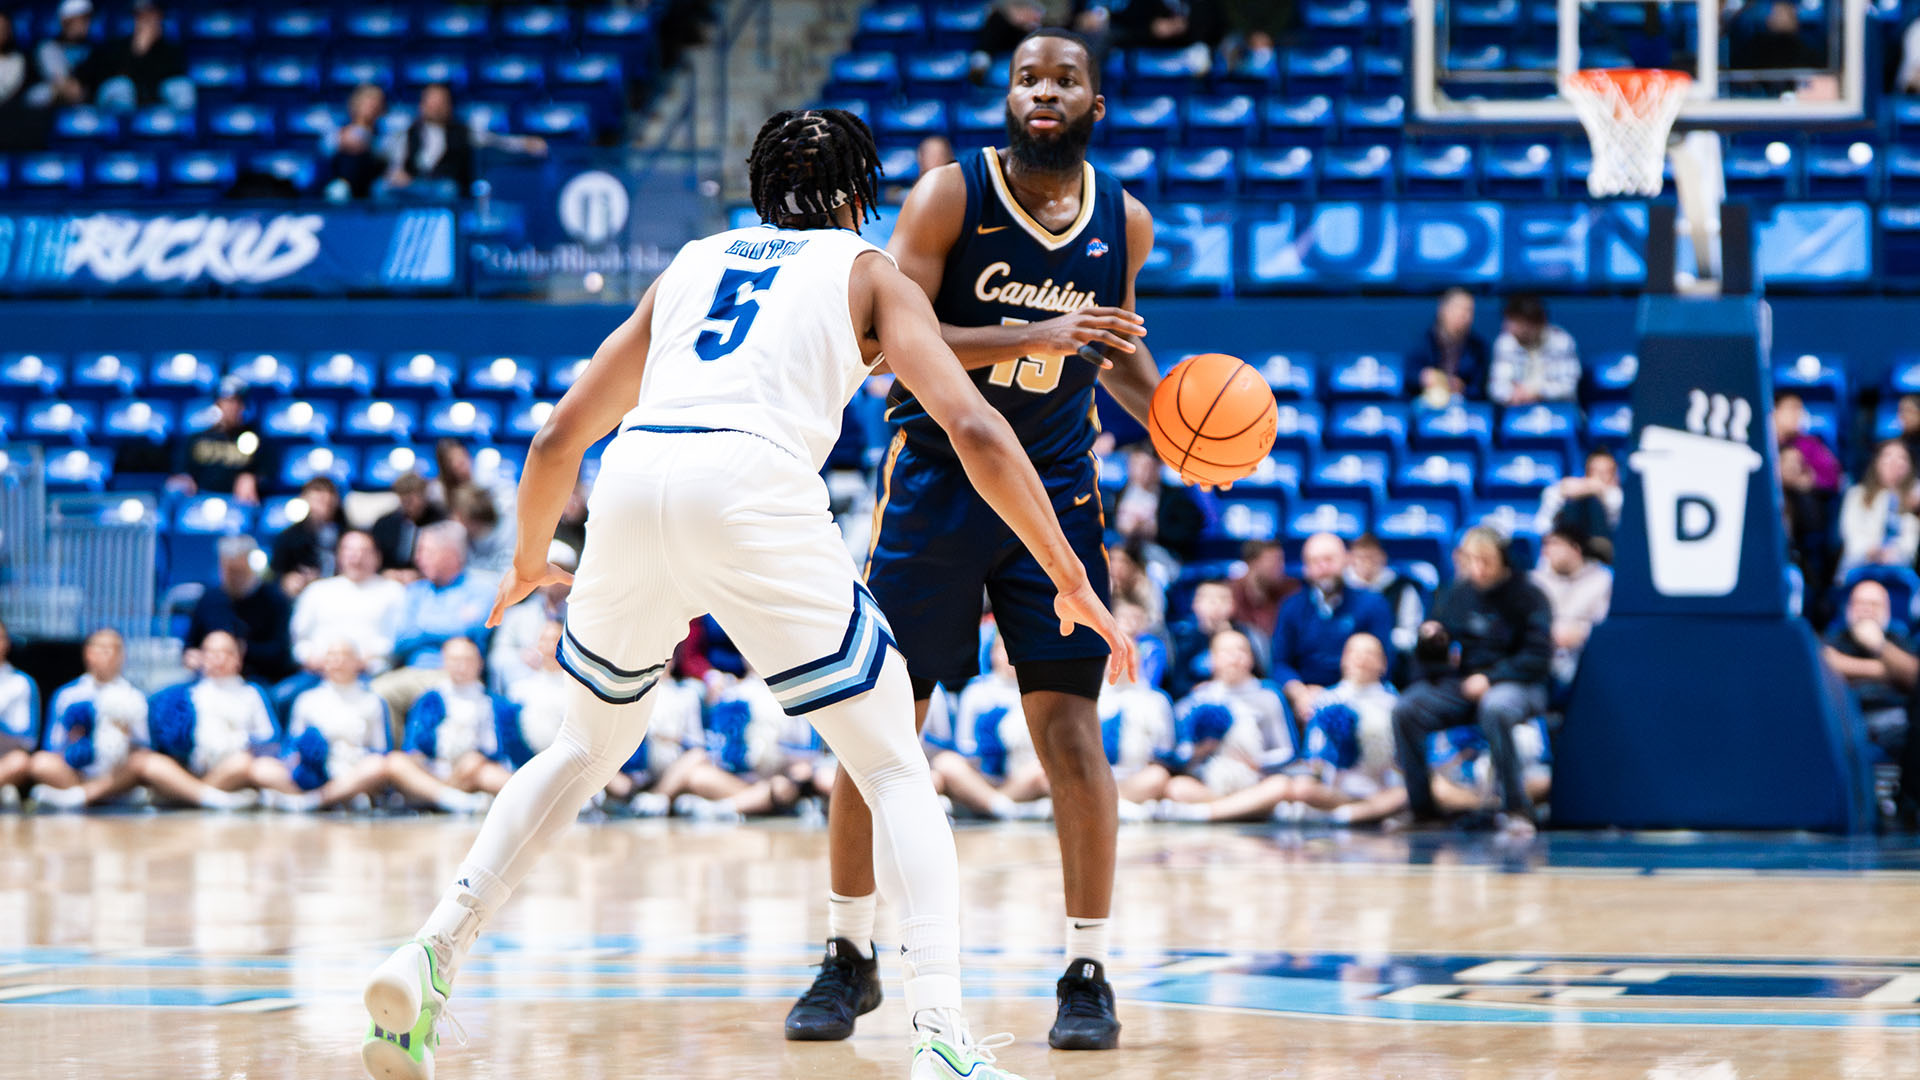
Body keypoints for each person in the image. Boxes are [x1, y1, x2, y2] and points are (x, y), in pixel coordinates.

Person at [361, 106, 1129, 1080]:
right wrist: (1070, 575)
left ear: (761, 192)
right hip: (752, 483)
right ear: (860, 198)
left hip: (635, 481)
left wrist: (524, 558)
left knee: (582, 748)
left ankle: (433, 949)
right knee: (896, 766)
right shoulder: (867, 270)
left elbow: (559, 435)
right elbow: (976, 431)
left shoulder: (691, 261)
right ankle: (940, 1038)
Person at [794, 28, 1163, 1055]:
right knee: (880, 726)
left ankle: (1086, 968)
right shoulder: (948, 198)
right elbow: (879, 346)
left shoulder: (1123, 221)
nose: (1044, 90)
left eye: (1065, 78)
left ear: (1097, 101)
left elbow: (1113, 356)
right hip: (935, 490)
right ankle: (848, 952)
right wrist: (1026, 336)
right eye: (1027, 78)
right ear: (1008, 97)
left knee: (1072, 737)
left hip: (1055, 494)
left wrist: (1175, 422)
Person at [1154, 634, 1431, 824]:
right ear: (1212, 659)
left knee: (1288, 787)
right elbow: (1181, 755)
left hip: (1367, 786)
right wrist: (1201, 751)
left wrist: (1258, 763)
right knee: (1176, 786)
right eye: (1226, 653)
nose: (1361, 660)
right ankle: (1236, 809)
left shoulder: (1396, 704)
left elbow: (1291, 753)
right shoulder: (1198, 699)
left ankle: (1210, 812)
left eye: (1370, 654)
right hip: (1217, 782)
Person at [1392, 528, 1553, 839]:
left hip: (1520, 683)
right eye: (1472, 561)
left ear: (1503, 560)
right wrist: (1431, 641)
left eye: (1486, 562)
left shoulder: (1529, 595)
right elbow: (1434, 659)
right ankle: (1422, 808)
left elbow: (1538, 657)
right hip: (1465, 682)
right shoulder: (1457, 593)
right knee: (1407, 709)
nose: (1478, 570)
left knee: (1496, 706)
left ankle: (1516, 808)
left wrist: (1491, 678)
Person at [31, 628, 258, 810]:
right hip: (75, 771)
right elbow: (52, 745)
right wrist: (75, 742)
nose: (108, 655)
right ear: (87, 653)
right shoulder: (66, 695)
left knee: (145, 762)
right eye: (101, 649)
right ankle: (86, 794)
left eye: (115, 650)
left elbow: (145, 747)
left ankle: (85, 796)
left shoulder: (135, 697)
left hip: (119, 773)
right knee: (41, 762)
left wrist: (126, 739)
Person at [372, 521, 498, 722]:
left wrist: (421, 626)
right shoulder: (415, 591)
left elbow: (472, 631)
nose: (418, 558)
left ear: (451, 554)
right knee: (378, 694)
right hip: (413, 672)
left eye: (426, 551)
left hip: (457, 675)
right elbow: (398, 639)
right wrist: (451, 625)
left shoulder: (481, 590)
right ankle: (397, 753)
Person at [259, 640, 396, 811]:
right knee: (263, 767)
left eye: (344, 656)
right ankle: (328, 797)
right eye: (332, 656)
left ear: (357, 662)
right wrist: (304, 761)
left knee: (378, 766)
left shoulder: (373, 701)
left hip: (353, 772)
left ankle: (317, 800)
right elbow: (291, 746)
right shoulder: (306, 699)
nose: (338, 662)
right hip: (313, 772)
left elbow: (381, 750)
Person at [1270, 533, 1394, 722]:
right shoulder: (1291, 606)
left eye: (1329, 559)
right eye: (1314, 561)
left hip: (1359, 692)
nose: (1323, 567)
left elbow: (1384, 661)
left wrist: (1331, 696)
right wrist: (1300, 693)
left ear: (1347, 560)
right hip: (1304, 698)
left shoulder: (1373, 603)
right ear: (1305, 568)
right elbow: (1279, 662)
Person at [384, 83, 547, 196]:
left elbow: (495, 141)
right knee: (381, 189)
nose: (436, 107)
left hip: (443, 187)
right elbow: (396, 165)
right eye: (432, 102)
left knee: (447, 190)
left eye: (441, 102)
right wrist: (397, 176)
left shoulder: (463, 131)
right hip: (413, 186)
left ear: (449, 106)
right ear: (422, 105)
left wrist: (524, 143)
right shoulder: (409, 133)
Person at [290, 530, 407, 680]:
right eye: (349, 551)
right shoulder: (317, 590)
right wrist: (310, 658)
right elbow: (299, 637)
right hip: (317, 673)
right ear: (339, 555)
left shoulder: (393, 591)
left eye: (364, 552)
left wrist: (359, 661)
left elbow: (397, 638)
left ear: (377, 557)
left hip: (370, 674)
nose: (356, 558)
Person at [1822, 580, 1918, 760]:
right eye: (1860, 603)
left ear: (1887, 611)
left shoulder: (1901, 642)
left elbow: (1914, 677)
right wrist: (1889, 671)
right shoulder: (1833, 640)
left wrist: (1878, 645)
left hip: (1895, 724)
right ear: (1848, 608)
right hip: (1846, 720)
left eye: (1874, 604)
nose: (1866, 610)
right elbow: (1826, 664)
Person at [187, 535, 296, 684]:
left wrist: (238, 651)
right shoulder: (209, 599)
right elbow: (190, 644)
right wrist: (194, 656)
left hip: (260, 679)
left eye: (239, 570)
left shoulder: (275, 600)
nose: (234, 577)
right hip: (210, 678)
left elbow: (280, 652)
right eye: (229, 571)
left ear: (250, 565)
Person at [1528, 525, 1612, 689]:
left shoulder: (1604, 580)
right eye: (1545, 545)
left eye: (1554, 544)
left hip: (1585, 656)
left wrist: (1582, 633)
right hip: (1542, 654)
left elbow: (1609, 627)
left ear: (1575, 549)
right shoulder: (1534, 581)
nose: (1547, 551)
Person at [489, 541, 576, 694]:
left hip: (566, 689)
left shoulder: (580, 614)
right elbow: (498, 655)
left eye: (562, 570)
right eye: (546, 571)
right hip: (524, 687)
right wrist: (521, 657)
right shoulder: (518, 614)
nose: (554, 578)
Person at [75, 0, 192, 113]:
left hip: (159, 105)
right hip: (119, 105)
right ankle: (120, 130)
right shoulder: (117, 47)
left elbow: (169, 79)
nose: (147, 21)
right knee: (121, 87)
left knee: (182, 87)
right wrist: (138, 51)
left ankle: (176, 131)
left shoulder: (170, 49)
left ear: (160, 16)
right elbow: (112, 76)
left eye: (151, 14)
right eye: (141, 16)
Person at [170, 378, 268, 503]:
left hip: (238, 505)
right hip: (199, 502)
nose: (232, 408)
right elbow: (179, 471)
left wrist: (252, 478)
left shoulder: (256, 438)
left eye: (237, 402)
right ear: (217, 404)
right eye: (227, 402)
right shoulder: (197, 438)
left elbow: (268, 473)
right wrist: (184, 480)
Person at [1167, 579, 1263, 699]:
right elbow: (1177, 685)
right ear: (1195, 604)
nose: (1216, 605)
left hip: (1243, 695)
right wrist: (1201, 688)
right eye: (1210, 600)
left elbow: (1260, 674)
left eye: (1223, 599)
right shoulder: (1186, 640)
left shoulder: (1244, 635)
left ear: (1233, 605)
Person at [1108, 442, 1203, 563]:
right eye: (1136, 465)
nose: (1142, 472)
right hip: (1122, 552)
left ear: (1158, 468)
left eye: (1147, 466)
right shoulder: (1116, 494)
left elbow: (1191, 528)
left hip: (1160, 555)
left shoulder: (1174, 497)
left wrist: (1155, 530)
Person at [1838, 440, 1920, 579]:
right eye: (1888, 456)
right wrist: (1870, 551)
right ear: (1877, 462)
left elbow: (1910, 546)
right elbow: (1849, 534)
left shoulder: (1914, 498)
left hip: (1899, 569)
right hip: (1859, 564)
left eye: (1901, 458)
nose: (1894, 463)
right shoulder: (1857, 494)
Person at [1488, 294, 1580, 406]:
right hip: (1516, 410)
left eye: (1517, 322)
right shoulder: (1505, 342)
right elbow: (1495, 388)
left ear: (1536, 323)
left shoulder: (1561, 342)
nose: (1508, 327)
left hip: (1557, 410)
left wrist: (1537, 392)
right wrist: (1513, 394)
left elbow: (1568, 387)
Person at [1345, 534, 1425, 660]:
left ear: (1383, 557)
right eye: (1360, 557)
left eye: (1371, 557)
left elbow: (1412, 634)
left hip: (1391, 657)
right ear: (1350, 559)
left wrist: (1379, 639)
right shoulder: (1342, 587)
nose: (1366, 563)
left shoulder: (1402, 587)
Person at [1407, 287, 1487, 406]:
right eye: (1458, 308)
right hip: (1427, 402)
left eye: (1469, 311)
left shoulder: (1478, 347)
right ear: (1443, 309)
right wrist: (1423, 376)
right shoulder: (1425, 340)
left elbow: (1480, 388)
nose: (1464, 315)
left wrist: (1462, 388)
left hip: (1463, 405)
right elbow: (1409, 375)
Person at [1535, 446, 1623, 549]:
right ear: (1586, 473)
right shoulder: (1563, 492)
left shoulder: (1619, 496)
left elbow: (1613, 499)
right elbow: (1541, 526)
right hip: (1565, 552)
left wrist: (1591, 488)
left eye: (1606, 472)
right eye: (1595, 471)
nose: (1599, 478)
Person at [271, 476, 346, 585]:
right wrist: (287, 581)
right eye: (318, 492)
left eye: (329, 492)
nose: (324, 496)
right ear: (304, 499)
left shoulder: (350, 535)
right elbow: (275, 576)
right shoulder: (288, 537)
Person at [327, 84, 391, 200]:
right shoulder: (339, 131)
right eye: (368, 102)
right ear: (356, 104)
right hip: (344, 179)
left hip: (374, 180)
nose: (372, 107)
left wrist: (367, 143)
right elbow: (326, 151)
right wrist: (341, 141)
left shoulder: (385, 134)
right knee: (338, 189)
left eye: (376, 103)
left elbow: (387, 158)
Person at [372, 473, 445, 574]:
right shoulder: (384, 523)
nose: (409, 506)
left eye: (412, 500)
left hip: (428, 578)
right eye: (404, 501)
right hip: (390, 578)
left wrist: (420, 575)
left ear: (424, 496)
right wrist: (385, 572)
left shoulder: (440, 522)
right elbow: (374, 557)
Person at [28, 0, 95, 108]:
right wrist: (66, 86)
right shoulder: (48, 48)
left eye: (87, 19)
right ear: (66, 21)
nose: (86, 24)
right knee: (40, 93)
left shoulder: (94, 49)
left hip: (86, 96)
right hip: (56, 96)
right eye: (81, 19)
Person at [0, 617, 39, 800]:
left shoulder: (20, 683)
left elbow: (27, 740)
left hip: (5, 759)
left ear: (6, 643)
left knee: (21, 761)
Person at [1773, 393, 1842, 496]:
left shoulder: (1809, 444)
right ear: (1774, 411)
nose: (1798, 414)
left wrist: (1808, 478)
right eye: (1792, 408)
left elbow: (1834, 477)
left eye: (1800, 409)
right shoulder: (1763, 443)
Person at [1229, 539, 1299, 639]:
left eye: (1281, 560)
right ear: (1252, 563)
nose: (1280, 567)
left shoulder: (1290, 589)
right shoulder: (1232, 593)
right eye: (1273, 561)